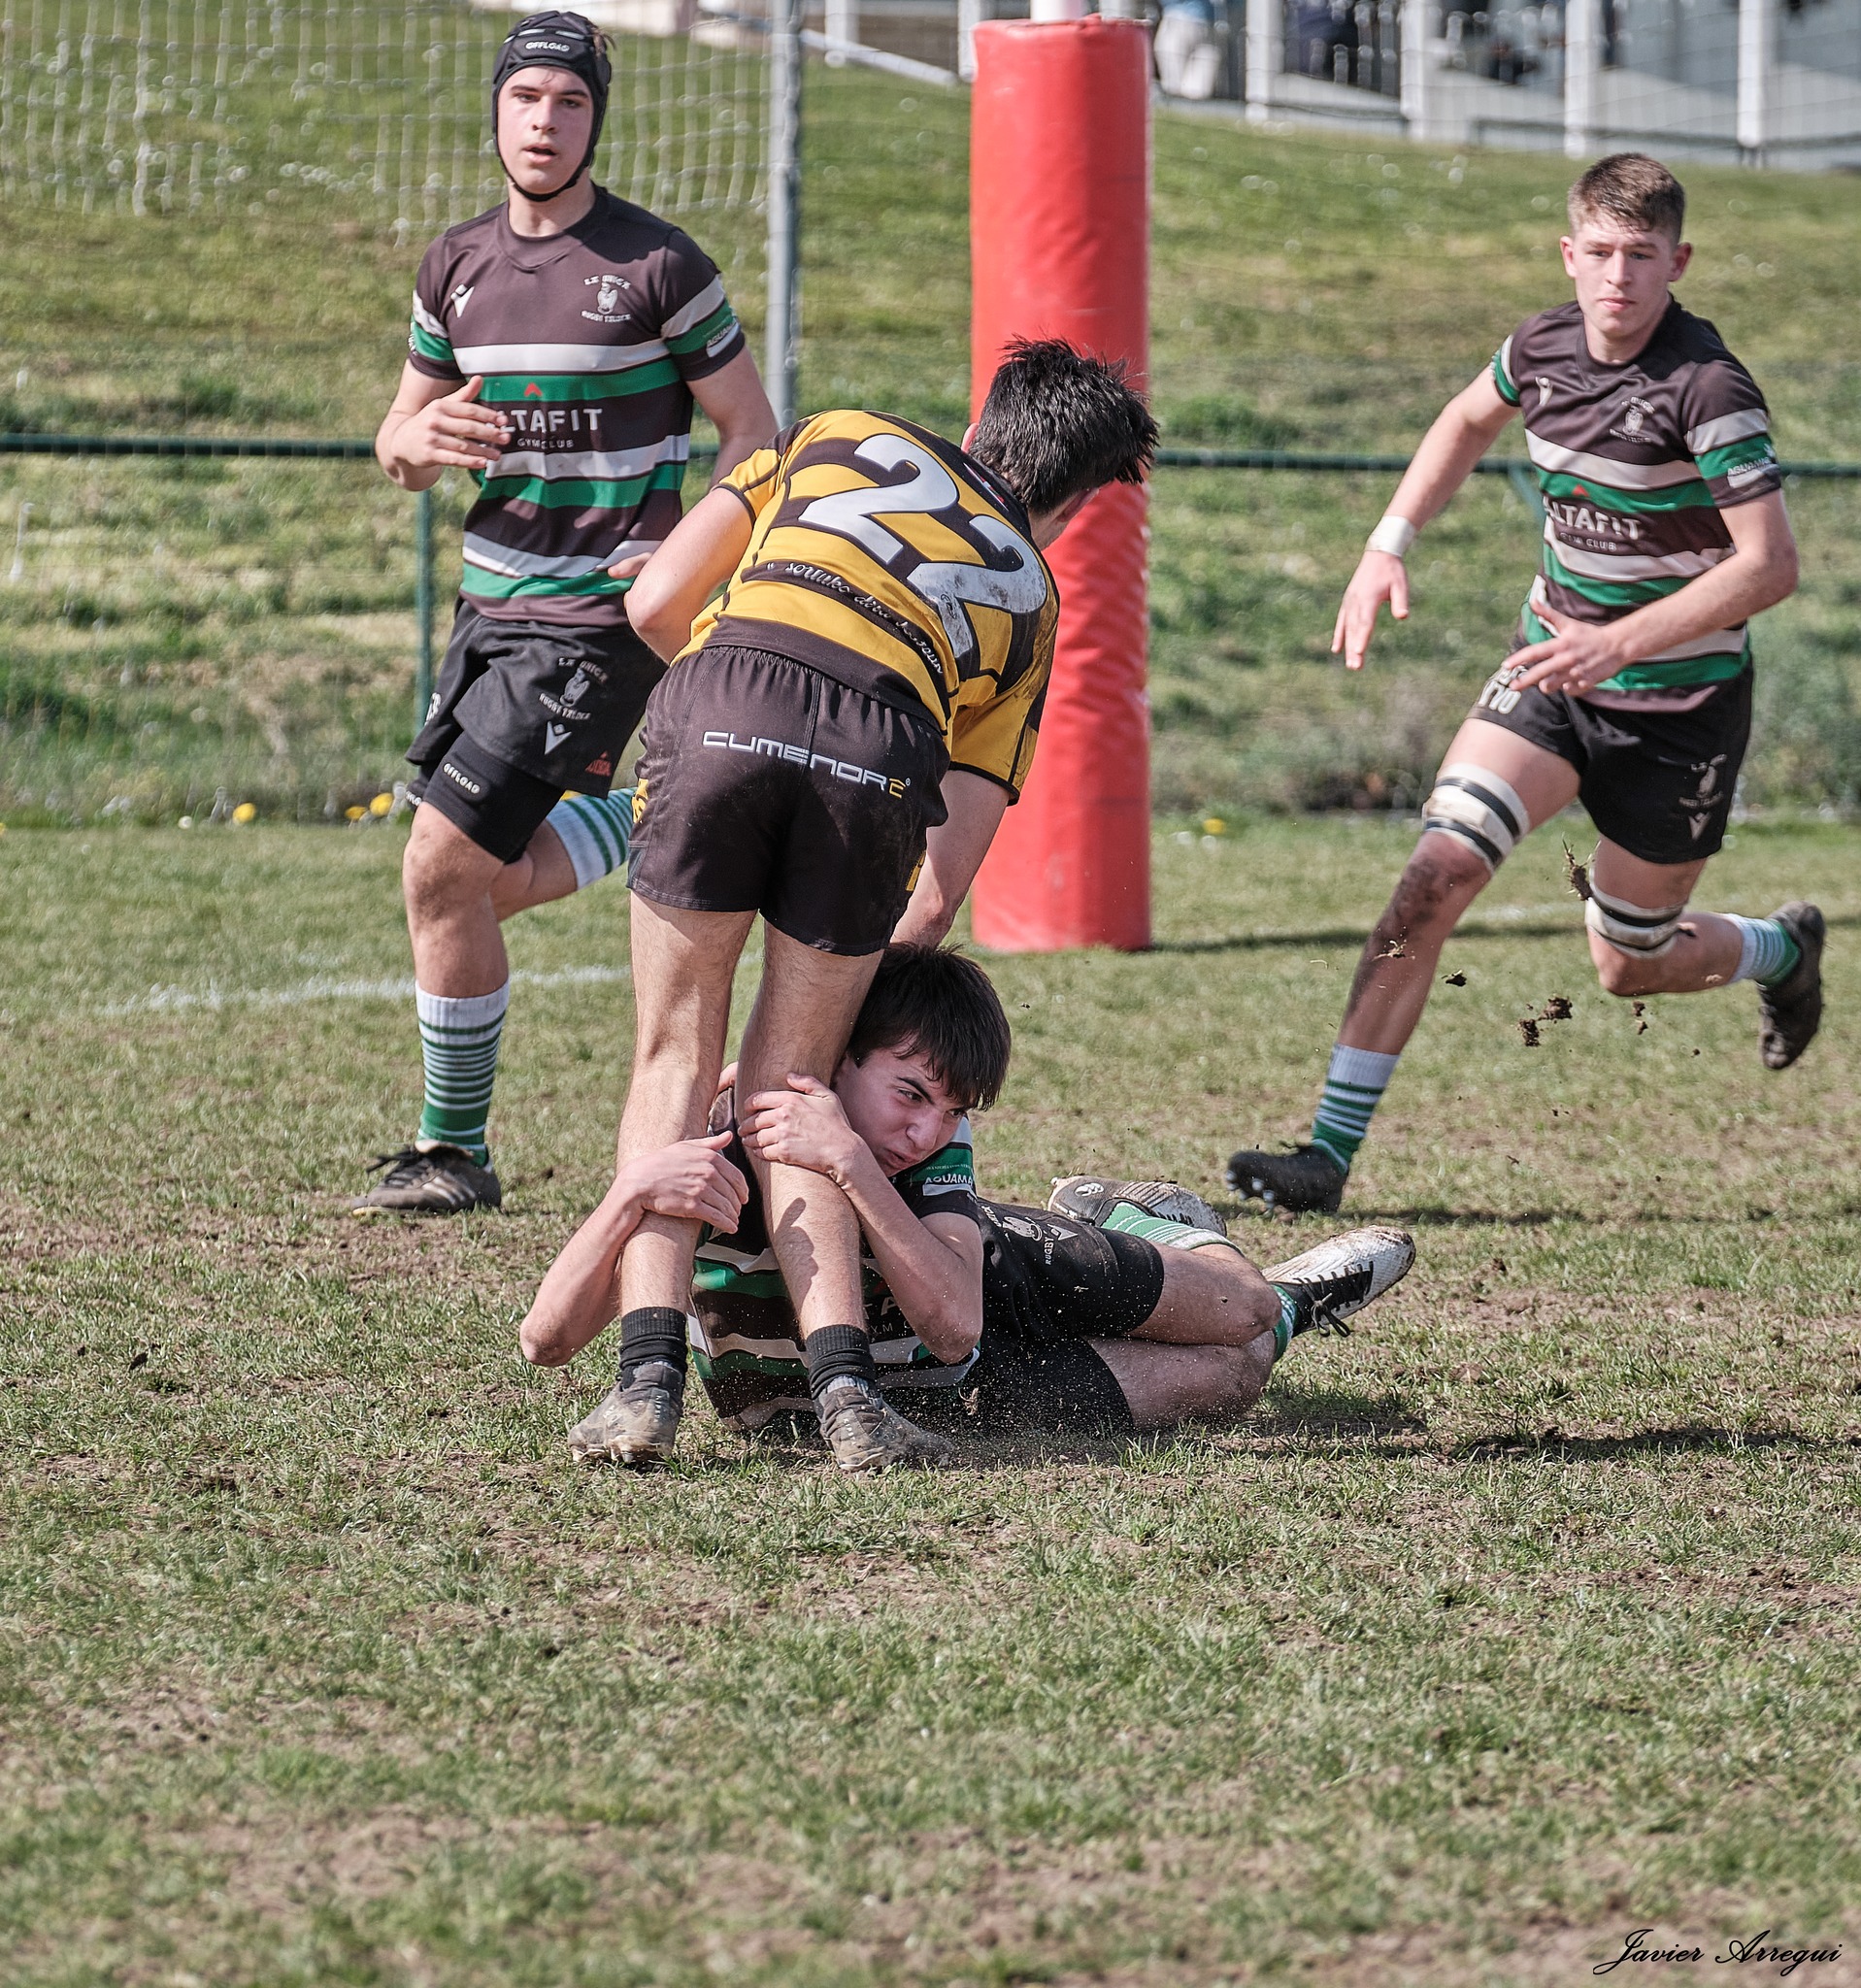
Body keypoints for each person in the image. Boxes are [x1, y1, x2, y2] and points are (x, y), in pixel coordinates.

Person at [595, 340, 1157, 1470]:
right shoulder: (1030, 591)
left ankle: (644, 1385)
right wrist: (818, 1012)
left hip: (727, 687)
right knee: (792, 1088)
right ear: (1077, 502)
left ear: (982, 421)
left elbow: (653, 599)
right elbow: (938, 894)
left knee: (670, 1054)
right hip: (878, 741)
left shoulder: (836, 432)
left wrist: (733, 704)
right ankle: (850, 1398)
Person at [1227, 151, 1821, 1216]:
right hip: (1550, 676)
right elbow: (1465, 419)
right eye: (1599, 251)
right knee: (1433, 874)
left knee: (1629, 964)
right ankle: (1325, 1155)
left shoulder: (1708, 388)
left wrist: (1621, 642)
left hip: (1678, 717)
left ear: (1678, 261)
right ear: (1567, 253)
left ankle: (1780, 951)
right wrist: (1386, 542)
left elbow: (1768, 567)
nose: (1618, 276)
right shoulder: (1538, 347)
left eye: (1641, 255)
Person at [354, 10, 776, 1216]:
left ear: (598, 120)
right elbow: (398, 438)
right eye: (527, 97)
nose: (545, 122)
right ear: (495, 110)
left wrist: (683, 566)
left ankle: (452, 1152)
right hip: (488, 608)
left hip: (598, 624)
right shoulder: (454, 266)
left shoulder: (658, 267)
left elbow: (756, 435)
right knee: (460, 887)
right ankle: (626, 824)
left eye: (571, 101)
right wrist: (417, 440)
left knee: (438, 865)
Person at [519, 945, 1415, 1466]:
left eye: (951, 1110)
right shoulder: (711, 1138)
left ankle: (1143, 1221)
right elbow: (546, 1341)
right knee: (1235, 1374)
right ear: (835, 1056)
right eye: (910, 1094)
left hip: (979, 1276)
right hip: (959, 1398)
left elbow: (953, 1325)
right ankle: (1298, 1306)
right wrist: (630, 1191)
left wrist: (853, 1166)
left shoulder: (921, 1149)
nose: (927, 1131)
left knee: (1241, 1309)